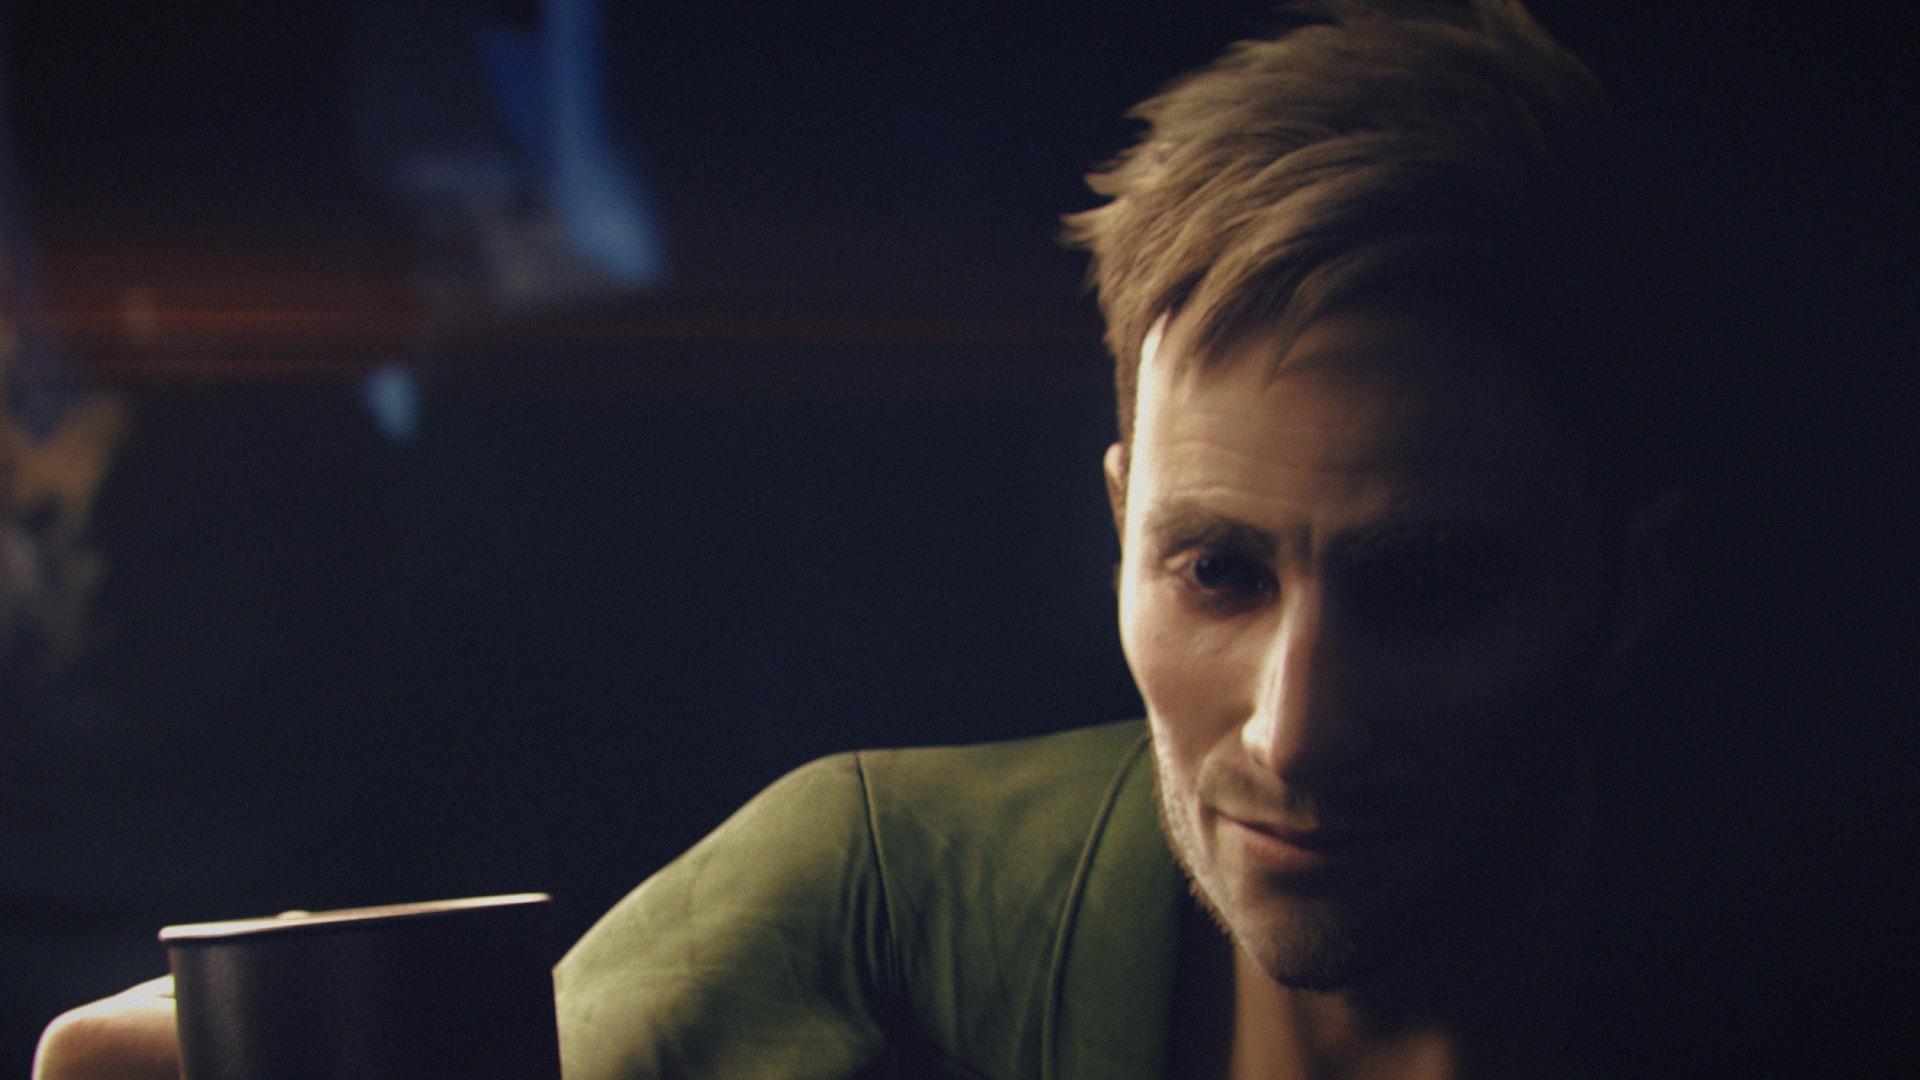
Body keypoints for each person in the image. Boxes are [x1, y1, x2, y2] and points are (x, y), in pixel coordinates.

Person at [35, 2, 1692, 1077]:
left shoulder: (1791, 952)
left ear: (1630, 593)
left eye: (1428, 588)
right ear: (1121, 522)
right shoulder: (874, 900)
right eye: (1218, 571)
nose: (1294, 728)